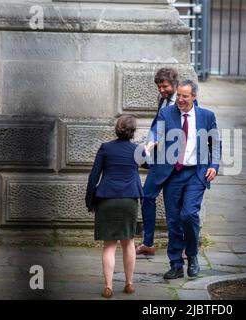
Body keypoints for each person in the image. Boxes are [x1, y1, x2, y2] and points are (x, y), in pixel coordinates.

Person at [149, 80, 220, 279]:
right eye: (178, 95)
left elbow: (215, 143)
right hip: (172, 174)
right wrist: (152, 140)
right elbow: (157, 130)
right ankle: (176, 264)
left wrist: (214, 166)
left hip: (196, 173)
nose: (180, 99)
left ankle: (193, 255)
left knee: (189, 214)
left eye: (185, 96)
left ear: (194, 97)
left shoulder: (206, 116)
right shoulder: (167, 113)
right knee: (173, 220)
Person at [85, 115, 149, 298]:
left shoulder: (105, 148)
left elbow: (93, 177)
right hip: (129, 199)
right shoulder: (137, 149)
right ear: (133, 131)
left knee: (109, 245)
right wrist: (147, 150)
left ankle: (108, 286)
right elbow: (150, 165)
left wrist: (89, 200)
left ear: (116, 129)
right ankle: (129, 284)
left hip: (107, 198)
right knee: (128, 242)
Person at [135, 67, 179, 256]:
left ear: (174, 84)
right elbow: (158, 126)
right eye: (159, 87)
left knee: (175, 206)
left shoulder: (185, 101)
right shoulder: (163, 100)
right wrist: (149, 144)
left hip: (177, 161)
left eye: (165, 86)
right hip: (160, 159)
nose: (161, 90)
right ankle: (148, 243)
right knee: (147, 197)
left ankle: (181, 246)